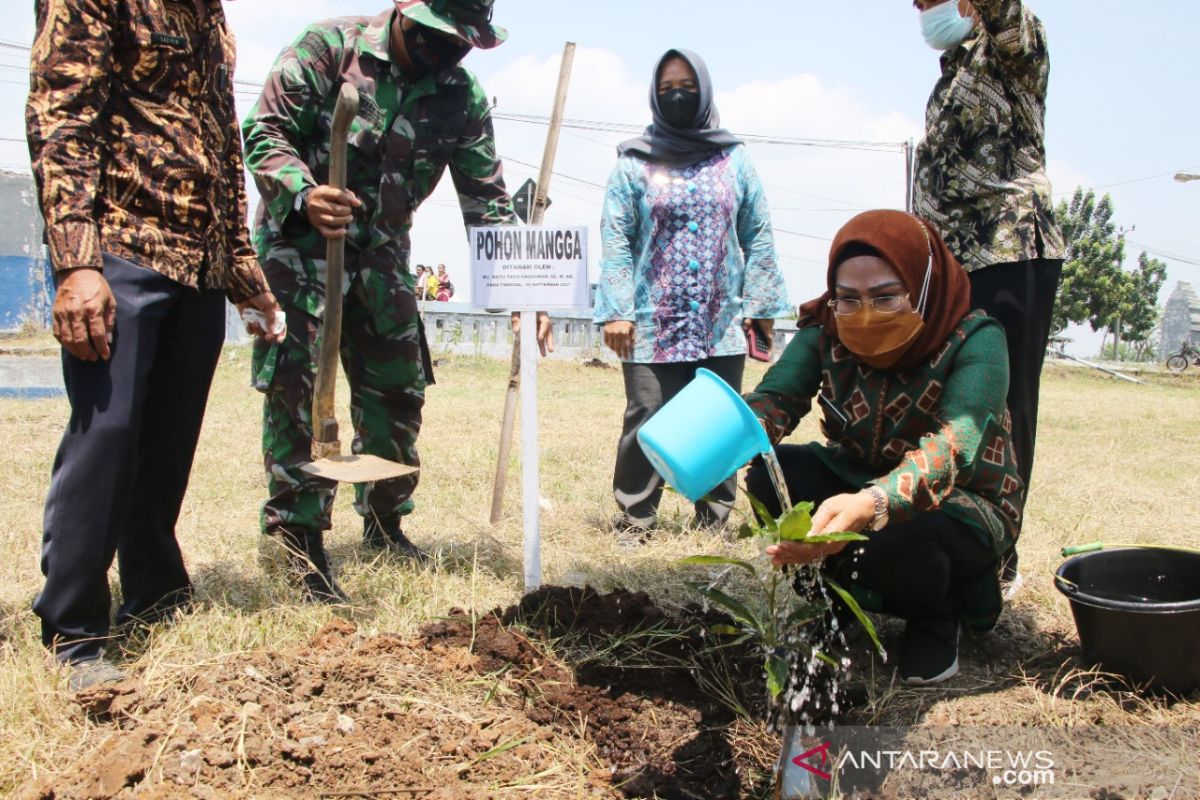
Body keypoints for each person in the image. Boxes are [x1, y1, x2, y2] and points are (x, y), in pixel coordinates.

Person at [25, 0, 284, 689]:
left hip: (196, 261)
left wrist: (242, 271)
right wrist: (78, 262)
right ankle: (74, 628)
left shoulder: (209, 13)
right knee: (107, 436)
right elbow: (63, 117)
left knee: (167, 443)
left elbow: (221, 145)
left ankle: (153, 592)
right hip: (121, 247)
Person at [243, 0, 537, 602]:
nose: (449, 52)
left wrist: (521, 293)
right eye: (440, 36)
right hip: (300, 249)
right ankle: (296, 537)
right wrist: (304, 193)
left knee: (399, 387)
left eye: (464, 42)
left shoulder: (461, 96)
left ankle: (384, 519)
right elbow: (263, 131)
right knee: (297, 388)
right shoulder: (330, 47)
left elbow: (487, 201)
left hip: (382, 255)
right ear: (405, 11)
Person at [743, 209, 1024, 686]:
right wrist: (722, 442)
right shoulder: (825, 332)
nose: (864, 314)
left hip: (960, 506)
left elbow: (954, 447)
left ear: (924, 284)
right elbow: (776, 400)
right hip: (859, 476)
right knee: (774, 474)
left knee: (899, 526)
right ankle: (833, 599)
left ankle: (937, 615)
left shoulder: (975, 340)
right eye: (847, 299)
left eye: (886, 297)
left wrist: (873, 502)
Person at [593, 48, 789, 538]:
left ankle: (714, 520)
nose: (676, 96)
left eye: (686, 87)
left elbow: (758, 231)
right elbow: (615, 237)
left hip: (718, 321)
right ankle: (635, 518)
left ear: (703, 91)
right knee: (646, 415)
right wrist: (616, 310)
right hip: (650, 320)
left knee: (716, 421)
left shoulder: (734, 159)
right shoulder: (634, 162)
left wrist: (762, 307)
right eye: (666, 89)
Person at [910, 0, 1064, 590]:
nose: (923, 10)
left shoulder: (1015, 48)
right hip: (949, 266)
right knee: (943, 397)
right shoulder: (951, 71)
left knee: (1000, 403)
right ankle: (946, 531)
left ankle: (996, 555)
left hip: (1007, 248)